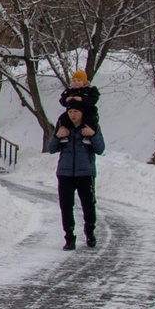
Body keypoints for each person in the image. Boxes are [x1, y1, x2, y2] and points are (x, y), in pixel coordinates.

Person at [52, 104, 103, 250]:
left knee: (88, 204)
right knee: (66, 206)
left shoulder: (91, 126)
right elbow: (51, 148)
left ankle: (90, 231)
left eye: (76, 111)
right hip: (65, 173)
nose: (73, 115)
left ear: (82, 112)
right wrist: (57, 136)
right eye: (70, 111)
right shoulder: (63, 126)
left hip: (85, 173)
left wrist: (92, 135)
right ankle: (69, 236)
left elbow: (100, 149)